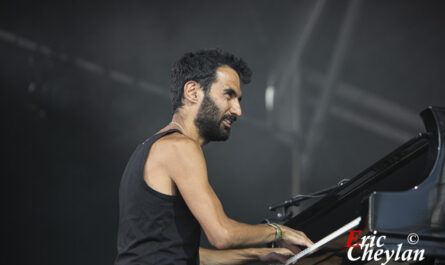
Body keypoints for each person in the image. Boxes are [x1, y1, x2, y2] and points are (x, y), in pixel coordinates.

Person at [115, 48, 313, 265]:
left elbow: (186, 254)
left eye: (238, 99)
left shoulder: (151, 148)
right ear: (192, 92)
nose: (237, 110)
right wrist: (279, 231)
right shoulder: (179, 147)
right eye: (228, 95)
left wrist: (257, 253)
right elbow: (222, 235)